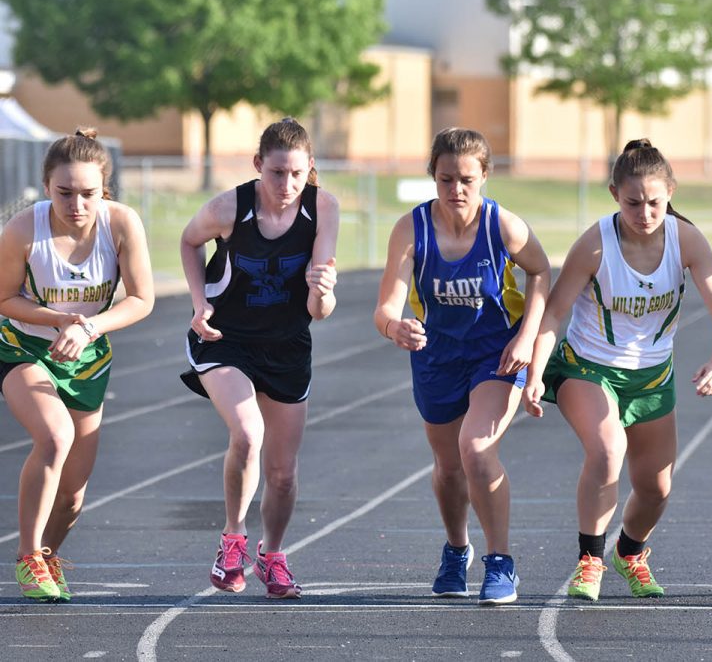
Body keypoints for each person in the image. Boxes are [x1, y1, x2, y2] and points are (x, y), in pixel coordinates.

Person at [524, 139, 712, 602]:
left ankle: (630, 551)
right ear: (614, 195)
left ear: (671, 193)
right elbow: (554, 313)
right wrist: (536, 373)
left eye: (655, 203)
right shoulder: (595, 245)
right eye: (633, 203)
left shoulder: (687, 240)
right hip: (588, 368)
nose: (645, 213)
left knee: (656, 487)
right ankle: (590, 560)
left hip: (652, 377)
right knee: (607, 449)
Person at [374, 127, 550, 605]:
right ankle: (457, 550)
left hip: (494, 354)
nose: (456, 190)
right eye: (446, 179)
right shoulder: (411, 230)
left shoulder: (503, 226)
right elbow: (385, 307)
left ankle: (501, 562)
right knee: (449, 466)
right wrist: (396, 328)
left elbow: (540, 270)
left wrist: (527, 335)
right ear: (433, 176)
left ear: (485, 177)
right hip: (436, 357)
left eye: (467, 180)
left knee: (476, 450)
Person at [179, 117, 340, 599]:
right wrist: (198, 299)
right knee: (248, 433)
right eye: (276, 173)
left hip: (288, 344)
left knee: (284, 473)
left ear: (310, 168)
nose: (286, 185)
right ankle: (232, 539)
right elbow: (189, 240)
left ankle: (273, 555)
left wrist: (324, 292)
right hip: (226, 337)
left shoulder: (323, 208)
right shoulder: (229, 206)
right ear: (258, 167)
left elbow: (320, 311)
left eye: (296, 174)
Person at [0, 128, 154, 602]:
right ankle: (28, 558)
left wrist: (88, 328)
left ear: (103, 190)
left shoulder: (122, 224)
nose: (77, 205)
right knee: (54, 437)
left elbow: (142, 300)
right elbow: (4, 298)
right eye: (64, 193)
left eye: (88, 193)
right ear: (46, 187)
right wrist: (56, 318)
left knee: (72, 494)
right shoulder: (24, 229)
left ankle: (47, 555)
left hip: (86, 360)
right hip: (25, 349)